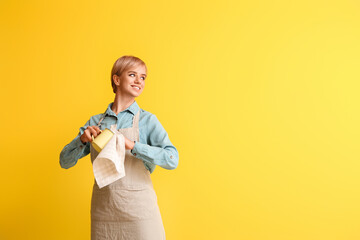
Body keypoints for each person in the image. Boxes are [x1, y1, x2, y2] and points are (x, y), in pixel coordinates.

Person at [59, 55, 179, 239]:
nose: (139, 81)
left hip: (140, 212)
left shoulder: (147, 121)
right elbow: (64, 161)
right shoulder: (95, 123)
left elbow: (172, 159)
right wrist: (82, 139)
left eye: (143, 77)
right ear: (116, 79)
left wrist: (132, 145)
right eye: (132, 75)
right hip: (104, 212)